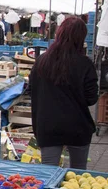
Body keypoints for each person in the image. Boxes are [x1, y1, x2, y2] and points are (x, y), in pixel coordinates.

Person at [30, 17, 98, 169]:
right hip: (77, 126)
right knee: (79, 174)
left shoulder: (41, 61)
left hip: (47, 126)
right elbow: (91, 98)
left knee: (48, 172)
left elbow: (31, 90)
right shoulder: (85, 63)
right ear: (81, 37)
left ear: (59, 33)